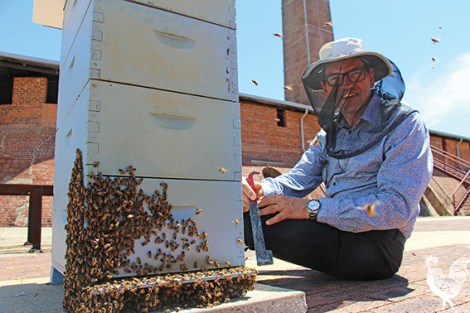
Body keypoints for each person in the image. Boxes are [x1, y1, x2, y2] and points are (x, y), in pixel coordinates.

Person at [242, 37, 433, 280]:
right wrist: (259, 190)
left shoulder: (405, 124)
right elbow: (296, 181)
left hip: (377, 245)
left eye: (355, 74)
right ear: (325, 87)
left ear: (371, 77)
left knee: (252, 224)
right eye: (336, 79)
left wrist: (312, 208)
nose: (347, 85)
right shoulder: (328, 134)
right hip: (332, 228)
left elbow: (394, 207)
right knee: (249, 216)